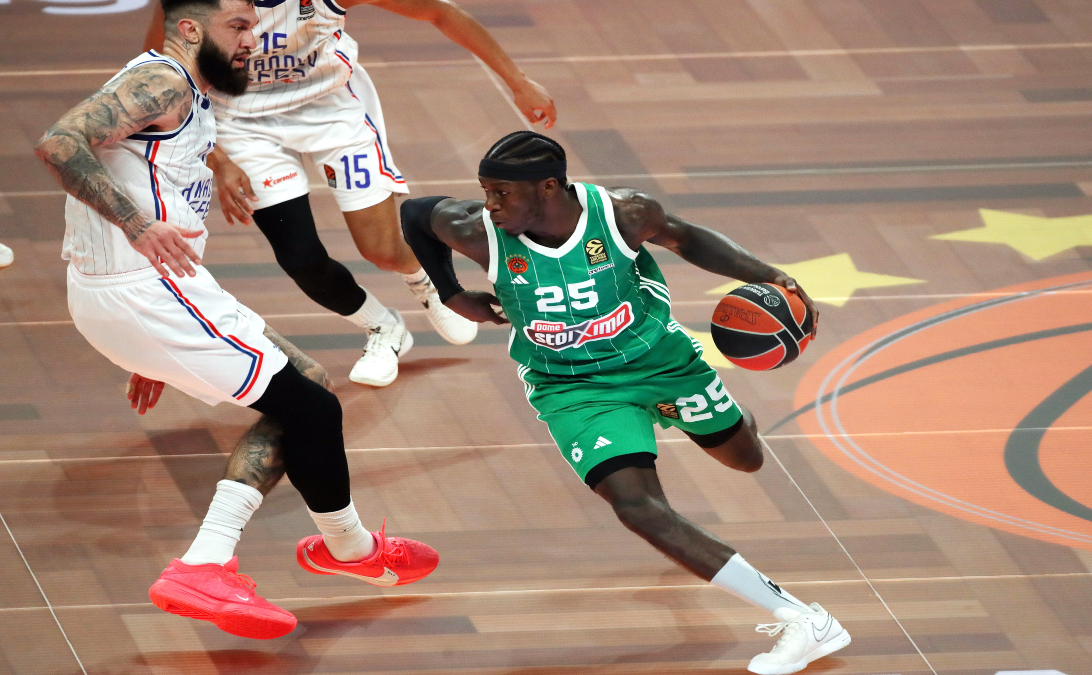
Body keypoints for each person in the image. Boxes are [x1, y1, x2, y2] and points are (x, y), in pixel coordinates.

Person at [34, 0, 437, 640]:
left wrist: (159, 352)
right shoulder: (162, 80)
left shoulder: (188, 89)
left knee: (308, 385)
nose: (253, 39)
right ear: (190, 29)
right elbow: (60, 142)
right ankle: (209, 565)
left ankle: (347, 548)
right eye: (240, 26)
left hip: (152, 295)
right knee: (313, 409)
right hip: (145, 289)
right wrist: (137, 228)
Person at [401, 131, 848, 674]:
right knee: (637, 507)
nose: (490, 205)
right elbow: (414, 214)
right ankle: (802, 618)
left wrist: (769, 276)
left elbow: (687, 239)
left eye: (502, 193)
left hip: (659, 362)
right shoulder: (478, 230)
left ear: (548, 187)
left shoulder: (623, 214)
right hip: (572, 386)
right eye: (486, 192)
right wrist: (450, 294)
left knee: (745, 458)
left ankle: (700, 413)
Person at [143, 0, 558, 387]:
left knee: (382, 251)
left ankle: (426, 281)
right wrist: (219, 159)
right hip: (241, 123)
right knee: (301, 260)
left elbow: (438, 11)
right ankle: (384, 327)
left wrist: (518, 82)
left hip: (330, 109)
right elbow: (160, 73)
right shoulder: (195, 3)